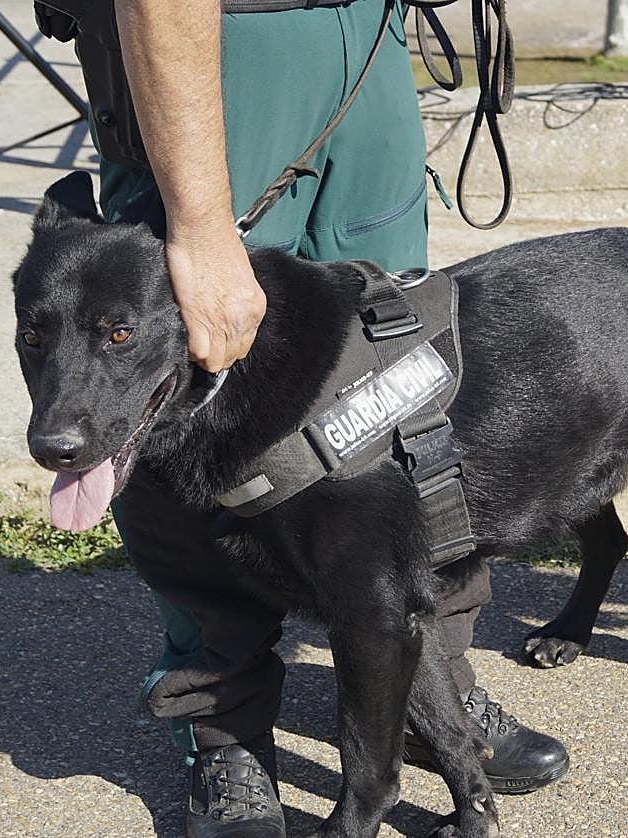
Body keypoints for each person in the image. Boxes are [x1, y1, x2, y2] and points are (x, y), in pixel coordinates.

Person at [35, 2, 569, 835]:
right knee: (169, 392)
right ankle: (226, 723)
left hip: (367, 28)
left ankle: (433, 692)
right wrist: (204, 227)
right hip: (215, 38)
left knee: (400, 376)